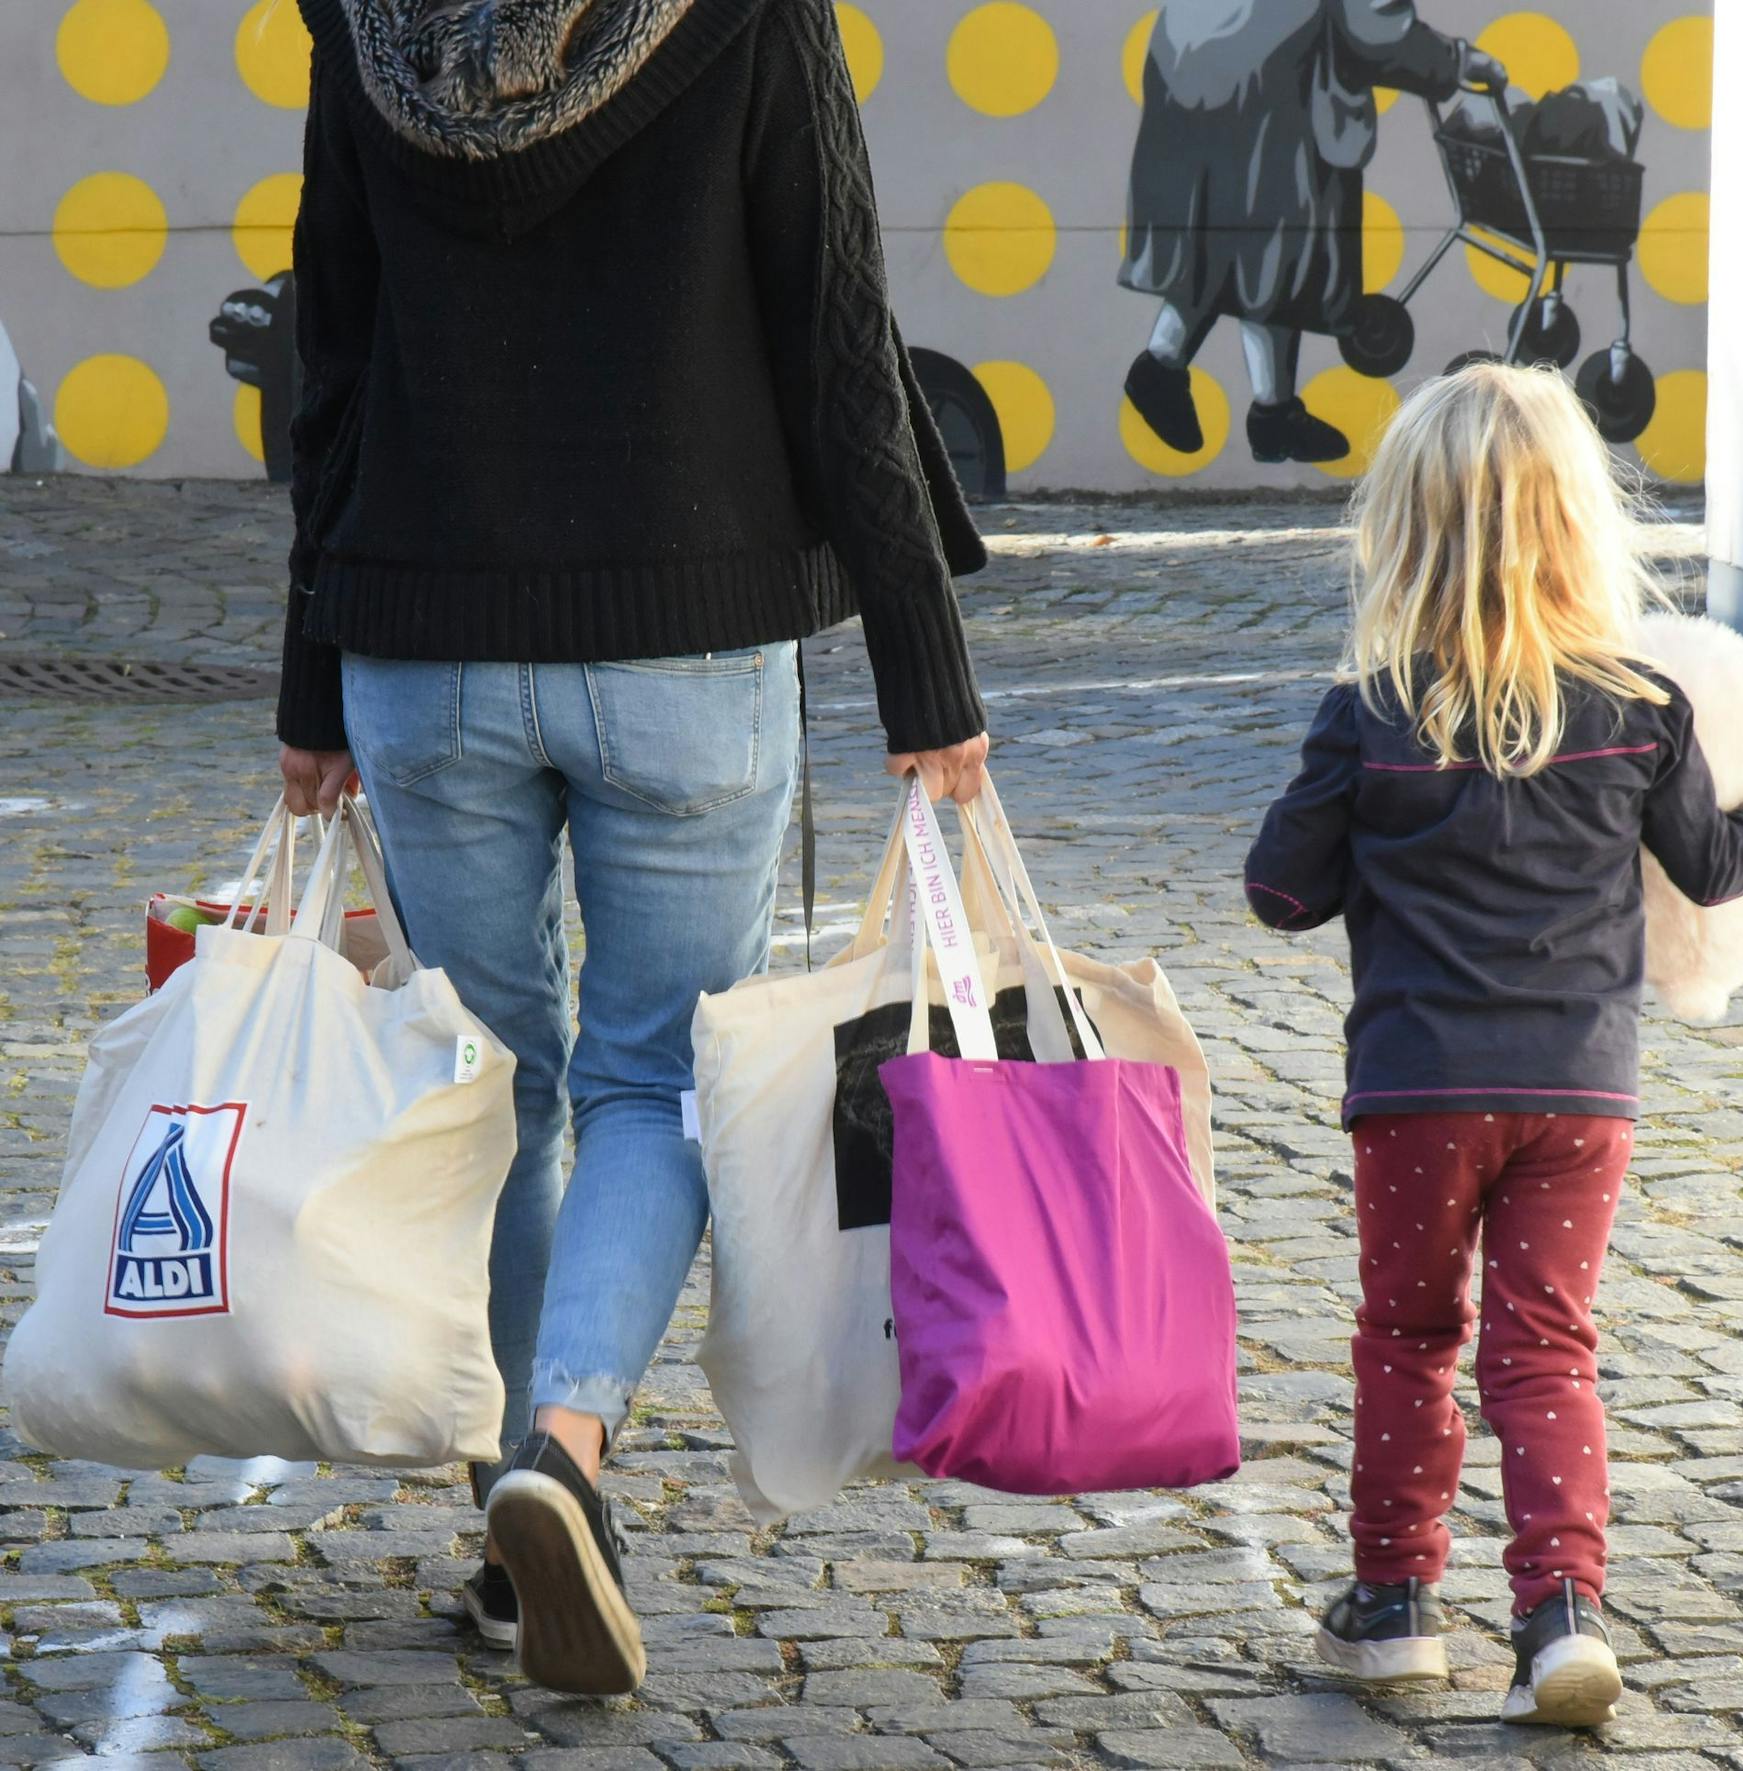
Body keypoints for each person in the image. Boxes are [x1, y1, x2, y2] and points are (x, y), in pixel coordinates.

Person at [273, 0, 990, 1698]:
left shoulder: (369, 25)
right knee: (655, 1083)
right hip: (688, 637)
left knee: (483, 1085)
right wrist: (925, 677)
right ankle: (568, 1455)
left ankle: (519, 1528)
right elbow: (838, 334)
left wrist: (309, 685)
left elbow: (335, 358)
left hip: (422, 646)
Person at [1243, 363, 1743, 1726]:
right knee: (1548, 1347)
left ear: (1402, 529)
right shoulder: (1639, 708)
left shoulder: (1370, 712)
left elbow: (1279, 893)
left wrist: (1355, 821)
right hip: (1582, 1094)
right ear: (1584, 521)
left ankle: (1398, 1606)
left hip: (1416, 1093)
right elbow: (1715, 871)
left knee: (1408, 1335)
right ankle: (1560, 1616)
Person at [1121, 0, 1503, 465]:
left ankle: (1203, 382)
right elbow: (1376, 28)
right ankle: (1257, 407)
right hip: (1277, 86)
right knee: (1279, 251)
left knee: (1224, 244)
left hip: (1194, 63)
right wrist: (1461, 61)